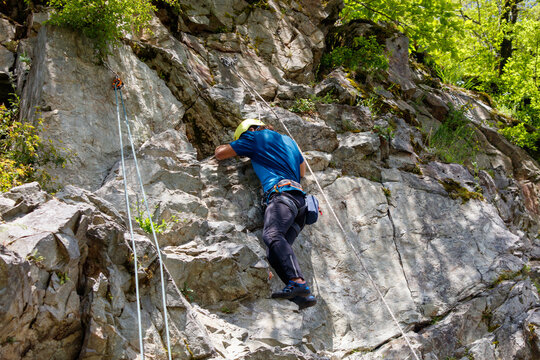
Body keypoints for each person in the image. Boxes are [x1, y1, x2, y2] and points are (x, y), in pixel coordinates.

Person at [215, 119, 316, 310]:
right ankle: (303, 296)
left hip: (281, 196)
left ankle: (298, 281)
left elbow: (221, 154)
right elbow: (302, 171)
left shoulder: (253, 137)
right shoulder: (288, 140)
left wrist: (235, 144)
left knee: (271, 235)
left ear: (249, 130)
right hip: (300, 204)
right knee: (274, 251)